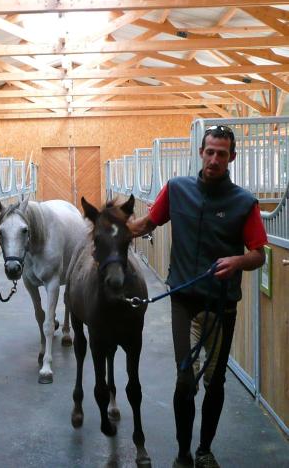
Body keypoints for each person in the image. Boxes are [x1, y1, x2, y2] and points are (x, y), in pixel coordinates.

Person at [128, 125, 267, 468]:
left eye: (222, 153)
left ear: (231, 157)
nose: (214, 159)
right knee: (185, 378)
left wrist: (238, 261)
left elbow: (259, 254)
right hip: (184, 300)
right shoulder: (176, 190)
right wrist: (112, 229)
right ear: (201, 153)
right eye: (209, 151)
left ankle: (205, 449)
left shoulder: (244, 203)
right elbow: (147, 223)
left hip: (222, 305)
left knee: (215, 381)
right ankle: (183, 453)